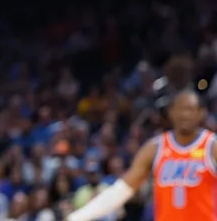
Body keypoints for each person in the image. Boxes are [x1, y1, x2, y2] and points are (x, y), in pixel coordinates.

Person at [68, 89, 217, 221]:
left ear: (201, 113)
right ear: (171, 112)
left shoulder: (212, 146)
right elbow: (121, 190)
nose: (185, 114)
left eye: (190, 109)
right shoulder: (154, 148)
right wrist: (77, 217)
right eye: (180, 109)